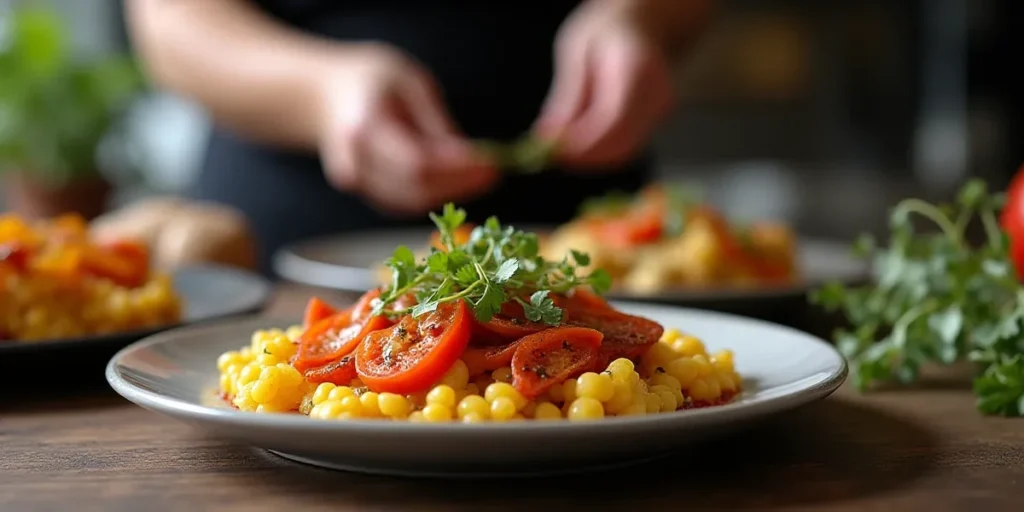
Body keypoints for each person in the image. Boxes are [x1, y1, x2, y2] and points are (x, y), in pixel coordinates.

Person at [125, 0, 713, 273]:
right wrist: (321, 92)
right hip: (281, 257)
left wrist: (639, 16)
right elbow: (169, 21)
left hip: (609, 251)